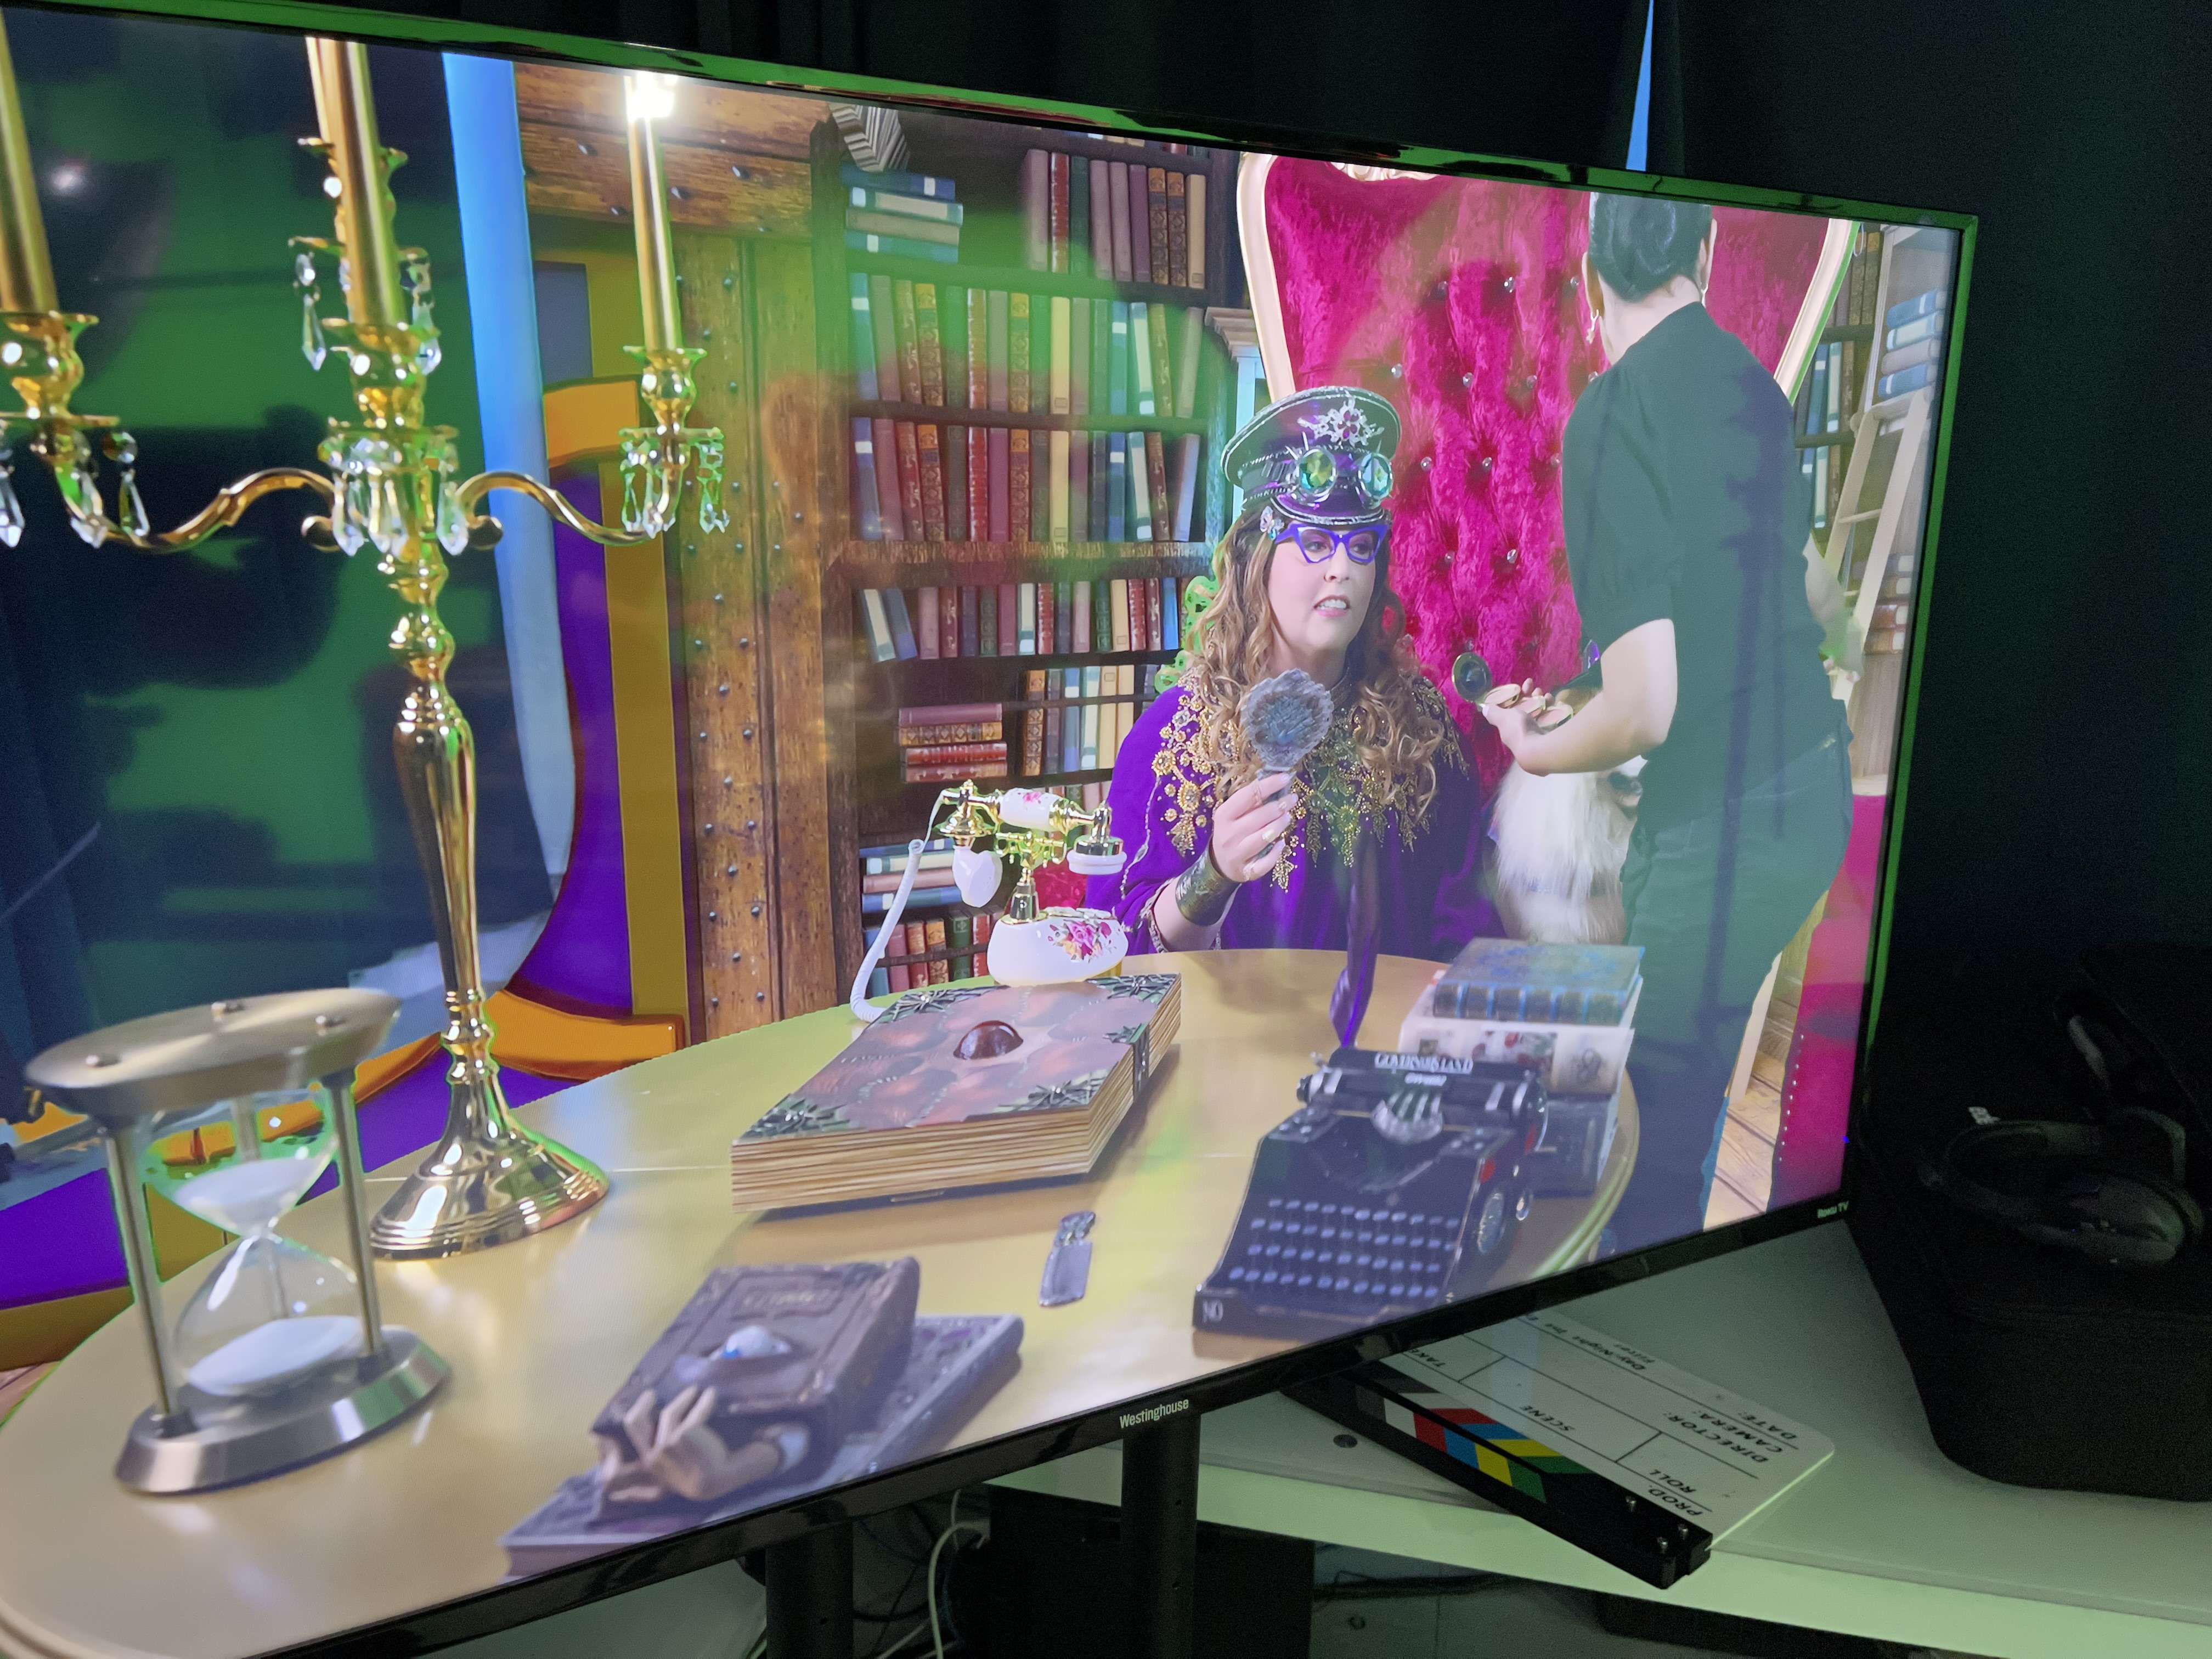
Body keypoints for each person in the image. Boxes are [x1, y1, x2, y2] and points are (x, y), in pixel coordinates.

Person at [1480, 195, 1852, 1254]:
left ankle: (1635, 1315)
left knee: (1647, 1136)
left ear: (1589, 280)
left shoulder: (1609, 415)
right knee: (1687, 1083)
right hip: (1811, 794)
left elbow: (1648, 706)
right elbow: (1817, 600)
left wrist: (1537, 748)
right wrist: (1587, 699)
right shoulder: (1751, 386)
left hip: (1724, 828)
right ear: (1708, 248)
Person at [1091, 386, 1493, 961]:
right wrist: (1213, 874)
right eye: (1315, 542)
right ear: (1255, 559)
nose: (1342, 569)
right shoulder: (1174, 740)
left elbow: (1465, 924)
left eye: (1361, 546)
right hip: (1233, 1022)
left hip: (1387, 1020)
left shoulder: (1421, 729)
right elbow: (1114, 945)